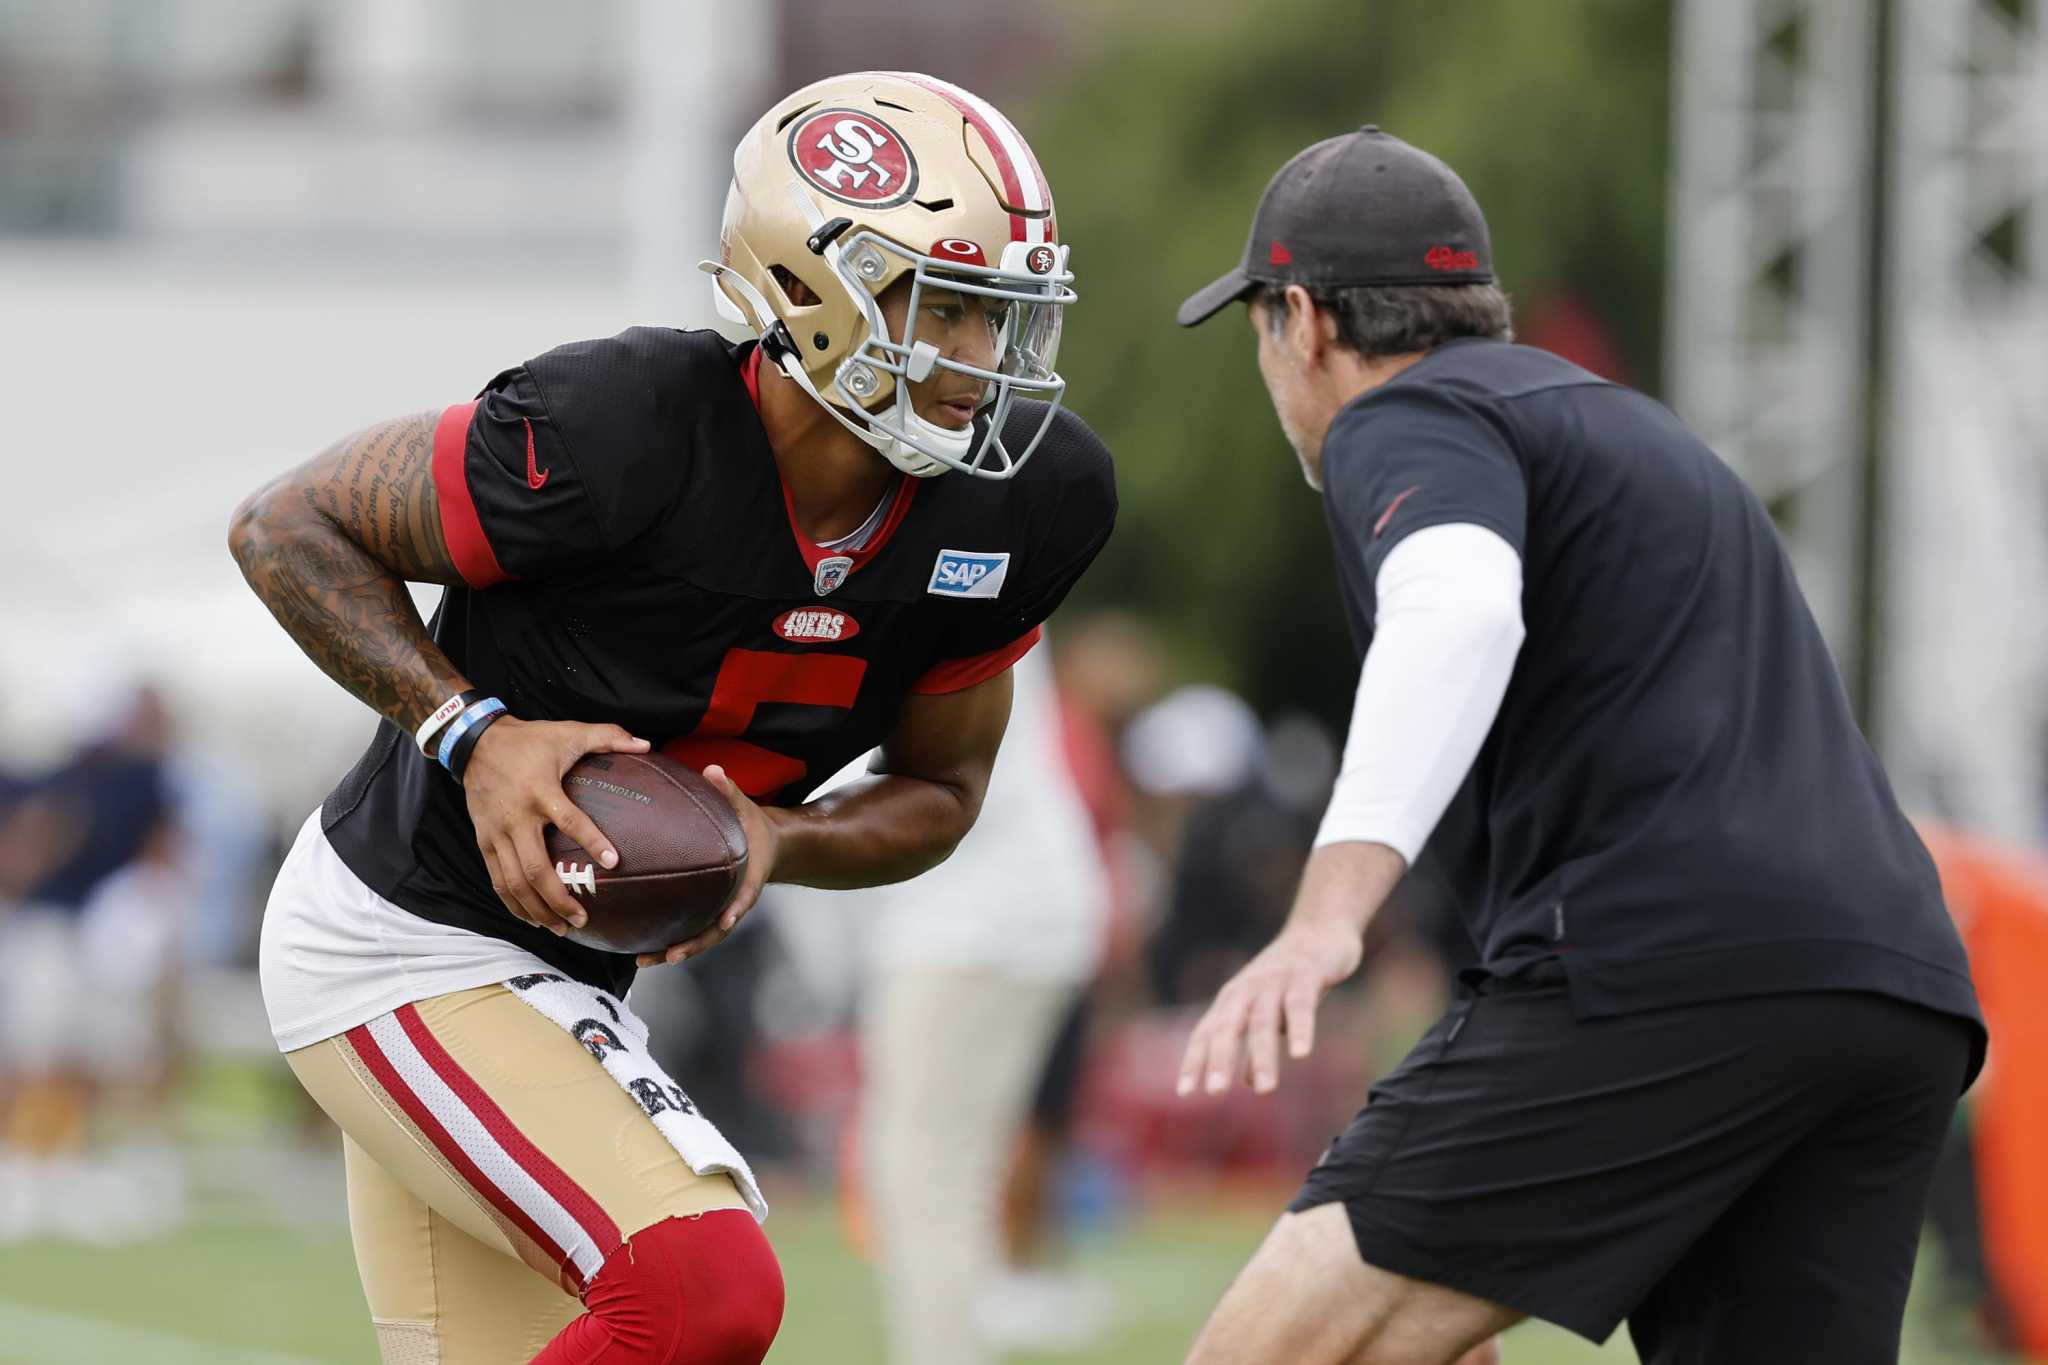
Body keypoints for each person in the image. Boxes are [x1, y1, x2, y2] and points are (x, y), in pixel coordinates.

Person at [228, 70, 1113, 1365]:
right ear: (813, 292)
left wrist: (773, 838)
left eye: (1003, 313)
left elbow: (944, 793)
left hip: (569, 968)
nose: (985, 358)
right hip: (401, 941)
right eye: (952, 307)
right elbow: (287, 524)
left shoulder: (1024, 502)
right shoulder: (620, 425)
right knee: (705, 1290)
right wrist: (471, 732)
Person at [1171, 126, 1985, 1365]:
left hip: (1668, 967)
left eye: (1258, 331)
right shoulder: (1626, 428)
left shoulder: (1404, 419)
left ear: (1303, 319)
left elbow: (1457, 607)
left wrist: (1326, 911)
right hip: (1887, 989)